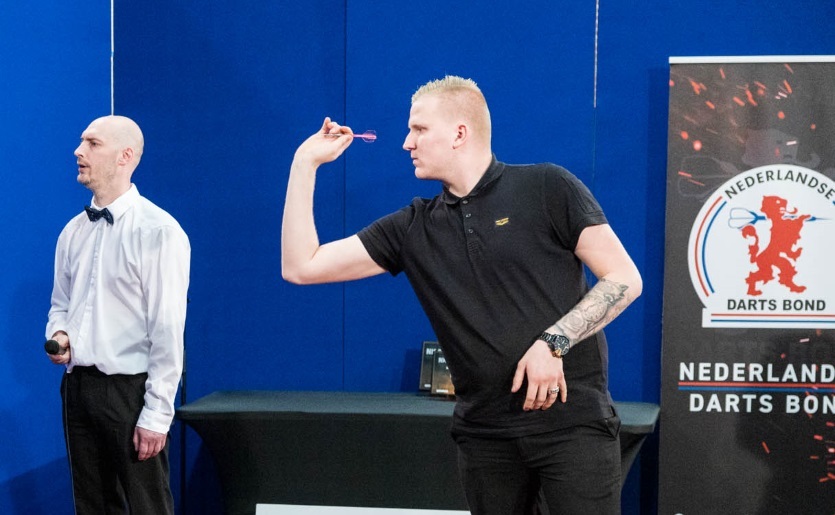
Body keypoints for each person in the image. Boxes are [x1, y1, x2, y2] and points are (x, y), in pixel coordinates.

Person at [281, 76, 642, 515]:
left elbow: (624, 278)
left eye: (419, 129)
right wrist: (305, 163)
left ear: (459, 133)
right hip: (485, 438)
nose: (406, 143)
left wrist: (555, 342)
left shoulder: (548, 187)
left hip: (573, 428)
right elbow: (301, 266)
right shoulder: (412, 227)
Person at [45, 115, 190, 514]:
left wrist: (158, 413)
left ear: (125, 156)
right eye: (81, 142)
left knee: (147, 506)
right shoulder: (72, 231)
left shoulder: (159, 231)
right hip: (78, 388)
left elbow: (167, 329)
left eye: (92, 143)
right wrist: (61, 335)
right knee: (92, 505)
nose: (78, 151)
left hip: (131, 391)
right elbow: (61, 304)